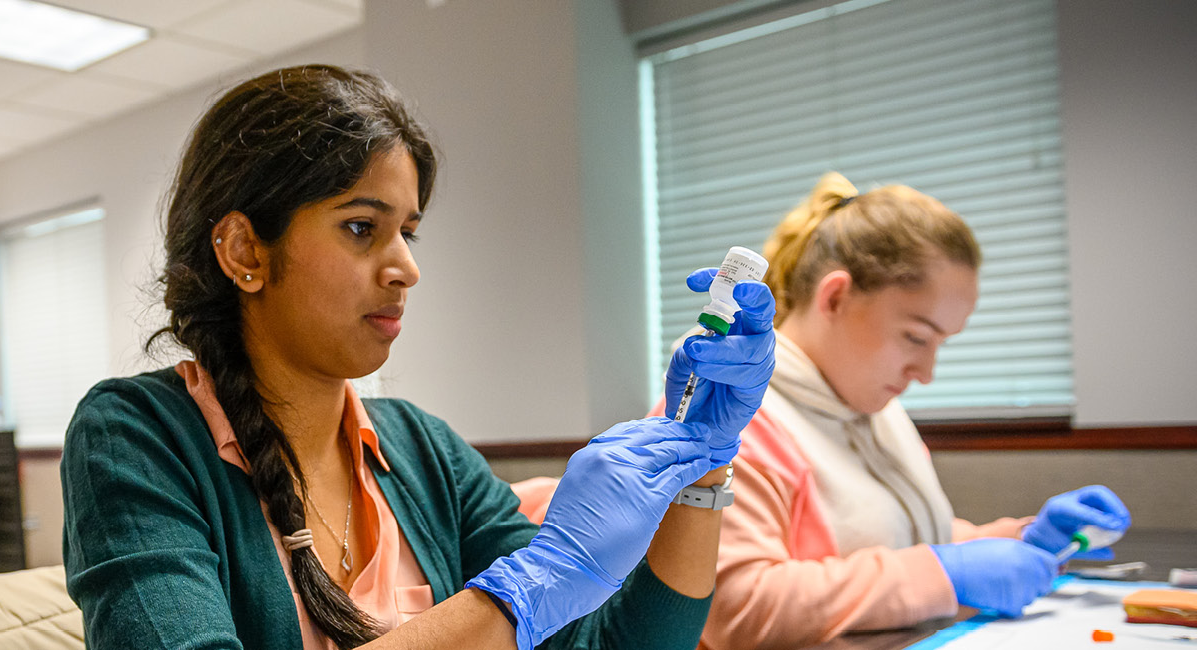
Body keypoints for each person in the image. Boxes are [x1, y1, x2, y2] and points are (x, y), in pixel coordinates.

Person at [58, 64, 777, 650]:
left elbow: (610, 649)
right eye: (362, 227)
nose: (406, 267)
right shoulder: (132, 437)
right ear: (246, 250)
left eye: (409, 233)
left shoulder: (422, 450)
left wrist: (702, 463)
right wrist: (527, 588)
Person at [683, 173, 1130, 649]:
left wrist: (1020, 540)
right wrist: (945, 575)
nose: (926, 372)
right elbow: (736, 611)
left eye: (941, 343)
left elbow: (894, 538)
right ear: (834, 297)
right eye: (916, 337)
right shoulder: (724, 412)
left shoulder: (867, 408)